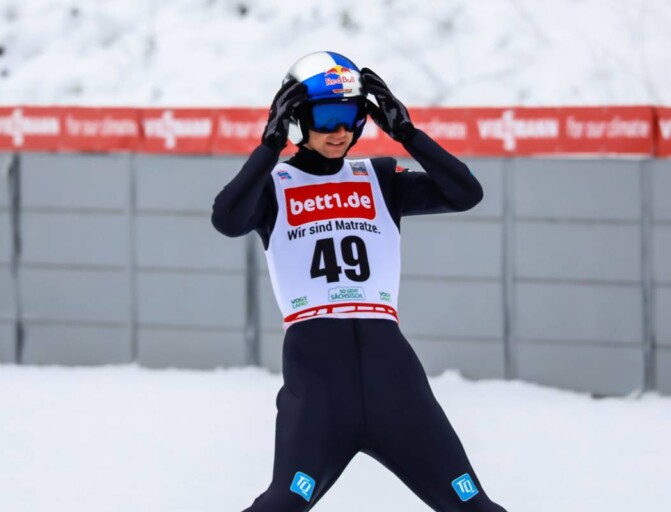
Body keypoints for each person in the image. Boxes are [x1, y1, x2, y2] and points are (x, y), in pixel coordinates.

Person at [212, 51, 508, 512]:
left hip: (394, 378)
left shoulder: (380, 178)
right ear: (295, 120)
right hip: (319, 381)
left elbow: (466, 193)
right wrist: (269, 146)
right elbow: (227, 219)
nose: (340, 131)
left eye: (351, 117)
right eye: (326, 117)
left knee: (473, 506)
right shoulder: (273, 186)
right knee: (283, 504)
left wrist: (406, 133)